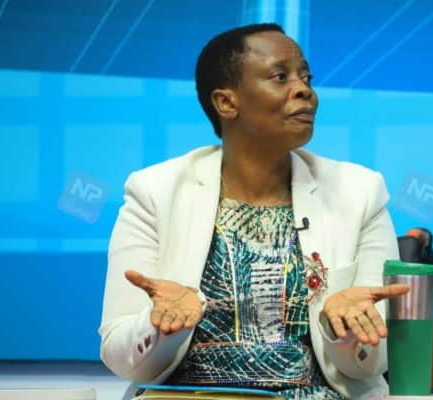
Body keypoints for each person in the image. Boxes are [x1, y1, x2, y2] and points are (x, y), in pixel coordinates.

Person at [98, 23, 409, 400]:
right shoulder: (155, 192)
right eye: (280, 77)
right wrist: (161, 325)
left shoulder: (359, 191)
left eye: (306, 77)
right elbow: (121, 356)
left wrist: (341, 328)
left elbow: (372, 363)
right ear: (226, 103)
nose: (305, 90)